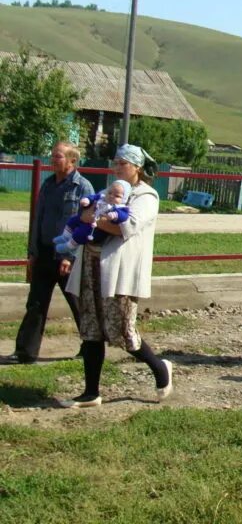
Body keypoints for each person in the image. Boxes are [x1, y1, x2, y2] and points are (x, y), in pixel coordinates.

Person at [58, 144, 171, 408]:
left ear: (137, 168)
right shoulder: (109, 191)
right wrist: (89, 218)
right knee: (91, 329)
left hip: (119, 272)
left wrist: (92, 220)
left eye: (123, 164)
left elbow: (125, 227)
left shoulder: (146, 196)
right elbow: (84, 214)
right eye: (116, 163)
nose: (117, 168)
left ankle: (160, 369)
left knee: (122, 331)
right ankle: (91, 392)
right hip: (90, 265)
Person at [6, 142, 94, 365]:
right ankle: (25, 352)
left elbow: (87, 225)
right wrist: (33, 251)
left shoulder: (83, 187)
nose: (53, 161)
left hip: (67, 257)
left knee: (78, 304)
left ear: (72, 160)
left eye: (58, 157)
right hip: (45, 253)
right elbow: (38, 219)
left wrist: (70, 256)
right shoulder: (47, 184)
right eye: (53, 157)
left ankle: (91, 348)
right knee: (35, 303)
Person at [53, 180, 132, 254]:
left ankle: (70, 246)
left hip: (96, 229)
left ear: (124, 198)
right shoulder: (102, 197)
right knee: (73, 220)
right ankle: (65, 236)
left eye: (117, 196)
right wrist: (87, 200)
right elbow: (93, 197)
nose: (111, 196)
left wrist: (115, 215)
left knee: (81, 232)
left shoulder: (120, 207)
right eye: (110, 193)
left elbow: (124, 215)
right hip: (88, 219)